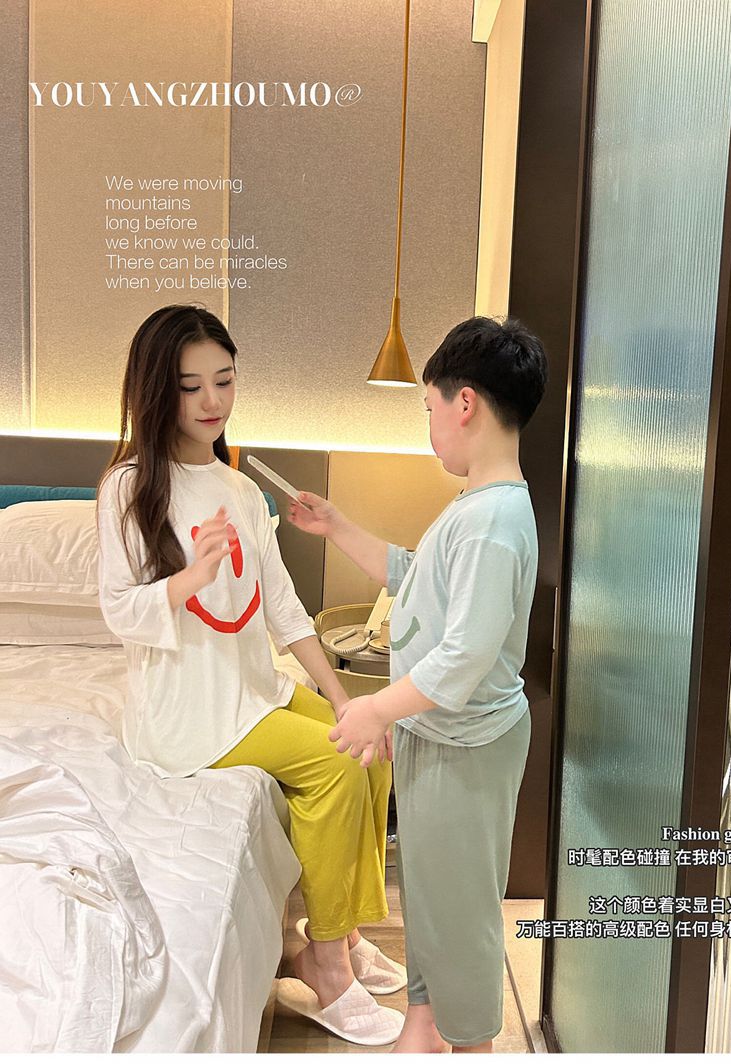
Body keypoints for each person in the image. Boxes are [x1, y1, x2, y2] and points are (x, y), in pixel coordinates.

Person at [95, 304, 405, 1047]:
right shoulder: (130, 486)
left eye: (224, 380)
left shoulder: (241, 491)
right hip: (188, 713)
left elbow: (285, 610)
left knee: (368, 748)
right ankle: (324, 963)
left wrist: (345, 698)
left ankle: (343, 929)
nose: (212, 401)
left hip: (250, 690)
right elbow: (119, 611)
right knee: (334, 769)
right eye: (190, 386)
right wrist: (189, 579)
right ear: (157, 390)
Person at [288, 315, 548, 1053]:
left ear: (464, 403)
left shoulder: (493, 521)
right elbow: (412, 576)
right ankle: (425, 1026)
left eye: (429, 408)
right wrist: (338, 527)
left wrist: (375, 708)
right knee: (433, 896)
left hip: (466, 745)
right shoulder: (477, 505)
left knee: (460, 911)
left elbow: (463, 658)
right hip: (442, 734)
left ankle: (471, 1043)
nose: (429, 428)